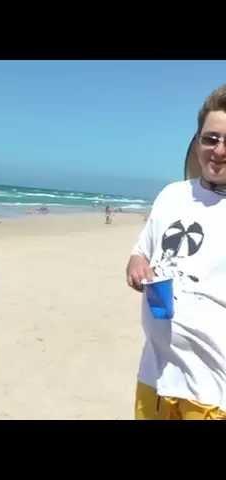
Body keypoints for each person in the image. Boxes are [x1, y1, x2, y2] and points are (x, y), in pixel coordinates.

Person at [126, 83, 226, 419]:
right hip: (154, 378)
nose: (219, 150)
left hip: (212, 392)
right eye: (211, 138)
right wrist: (137, 264)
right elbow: (142, 251)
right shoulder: (172, 195)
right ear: (198, 140)